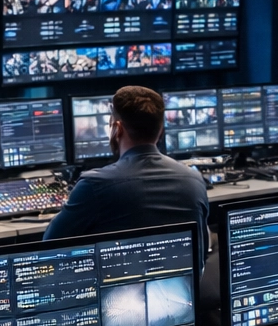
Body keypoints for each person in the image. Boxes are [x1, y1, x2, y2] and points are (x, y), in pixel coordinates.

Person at [43, 85, 210, 272]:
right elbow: (201, 253)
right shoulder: (194, 180)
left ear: (117, 129)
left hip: (117, 297)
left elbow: (49, 246)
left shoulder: (94, 185)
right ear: (161, 129)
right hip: (184, 293)